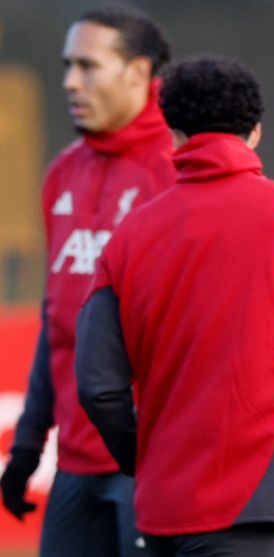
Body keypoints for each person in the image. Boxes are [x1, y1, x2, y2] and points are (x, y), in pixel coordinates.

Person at [75, 55, 274, 557]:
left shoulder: (128, 235)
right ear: (255, 132)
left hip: (160, 506)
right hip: (250, 501)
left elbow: (97, 384)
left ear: (173, 135)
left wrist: (143, 457)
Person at [0, 5, 173, 556]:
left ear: (138, 72)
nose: (71, 82)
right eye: (67, 66)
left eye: (88, 66)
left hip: (154, 461)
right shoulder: (63, 172)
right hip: (75, 464)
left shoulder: (177, 171)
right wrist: (28, 442)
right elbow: (58, 320)